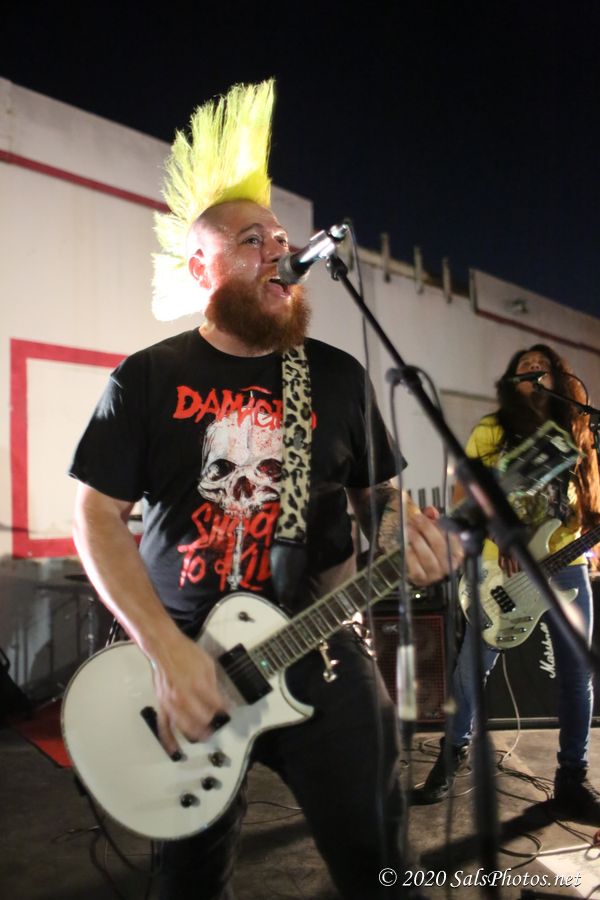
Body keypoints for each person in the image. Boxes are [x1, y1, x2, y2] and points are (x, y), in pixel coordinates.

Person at [69, 80, 461, 900]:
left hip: (322, 653)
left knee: (382, 867)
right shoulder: (146, 379)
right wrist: (165, 649)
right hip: (186, 665)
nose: (280, 253)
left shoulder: (337, 378)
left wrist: (406, 538)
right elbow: (96, 516)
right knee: (190, 881)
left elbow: (381, 501)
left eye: (283, 238)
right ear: (200, 266)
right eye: (253, 241)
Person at [415, 344, 600, 821]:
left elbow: (589, 498)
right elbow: (469, 494)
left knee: (577, 673)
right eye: (524, 367)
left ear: (560, 378)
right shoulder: (491, 430)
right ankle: (451, 754)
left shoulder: (578, 432)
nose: (533, 372)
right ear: (511, 381)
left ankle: (572, 777)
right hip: (499, 566)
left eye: (542, 367)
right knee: (472, 668)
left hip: (565, 564)